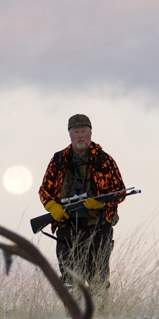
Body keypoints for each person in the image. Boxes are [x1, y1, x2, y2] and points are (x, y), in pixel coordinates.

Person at [39, 114, 125, 291]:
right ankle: (74, 317)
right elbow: (44, 191)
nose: (80, 136)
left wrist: (102, 203)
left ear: (90, 133)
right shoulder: (58, 160)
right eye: (76, 131)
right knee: (70, 281)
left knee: (98, 279)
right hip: (67, 228)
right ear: (69, 134)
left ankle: (100, 317)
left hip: (99, 227)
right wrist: (52, 207)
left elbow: (120, 191)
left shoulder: (104, 160)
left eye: (83, 131)